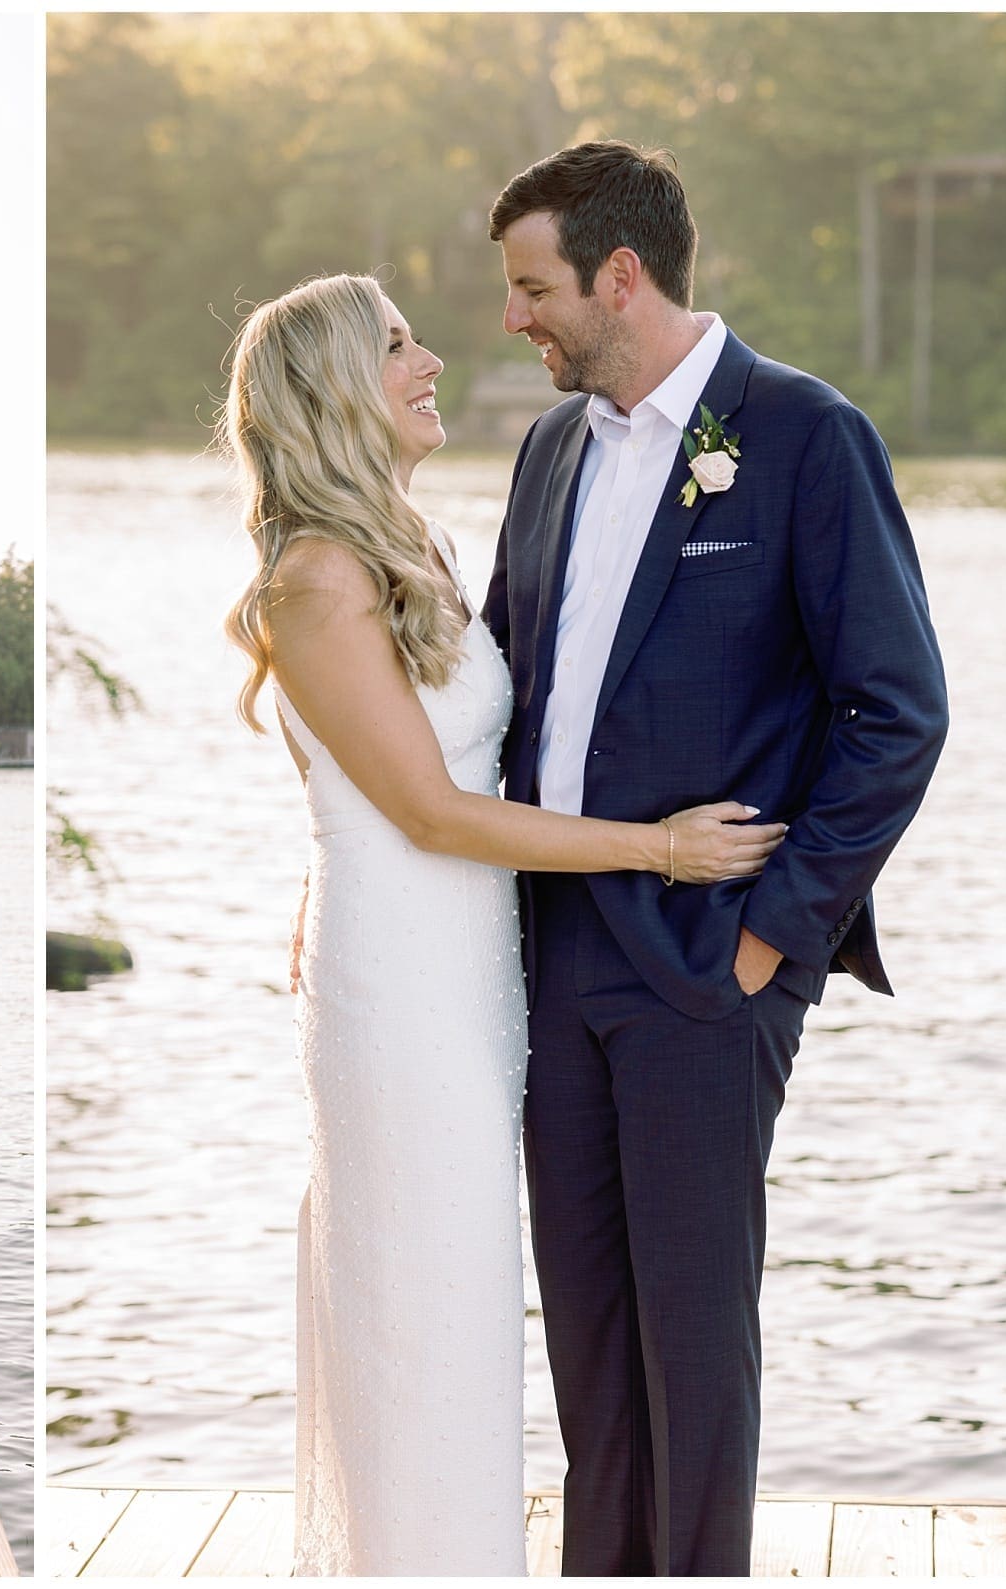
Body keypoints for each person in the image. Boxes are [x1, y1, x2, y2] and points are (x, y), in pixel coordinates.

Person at [222, 271, 785, 1576]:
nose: (430, 363)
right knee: (422, 1324)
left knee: (470, 1327)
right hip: (403, 996)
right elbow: (424, 810)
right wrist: (662, 847)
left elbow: (398, 772)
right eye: (400, 346)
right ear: (330, 393)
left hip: (476, 979)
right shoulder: (315, 576)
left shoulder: (408, 547)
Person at [483, 142, 947, 1575]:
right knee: (591, 1352)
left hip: (708, 969)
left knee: (694, 1345)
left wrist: (773, 939)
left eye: (533, 288)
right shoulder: (551, 448)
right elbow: (509, 677)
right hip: (553, 961)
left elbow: (899, 711)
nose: (516, 319)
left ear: (621, 277)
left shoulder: (804, 435)